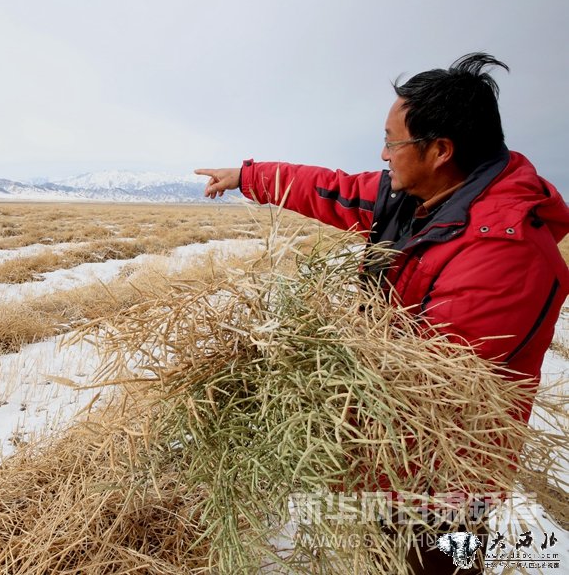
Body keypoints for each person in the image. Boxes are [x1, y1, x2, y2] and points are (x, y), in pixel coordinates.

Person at [196, 52, 569, 574]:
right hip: (386, 462)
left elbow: (427, 389)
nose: (384, 153)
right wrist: (248, 175)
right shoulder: (421, 192)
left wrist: (296, 375)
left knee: (434, 563)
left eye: (393, 141)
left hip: (443, 478)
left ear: (440, 150)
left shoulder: (507, 254)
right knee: (382, 552)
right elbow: (334, 189)